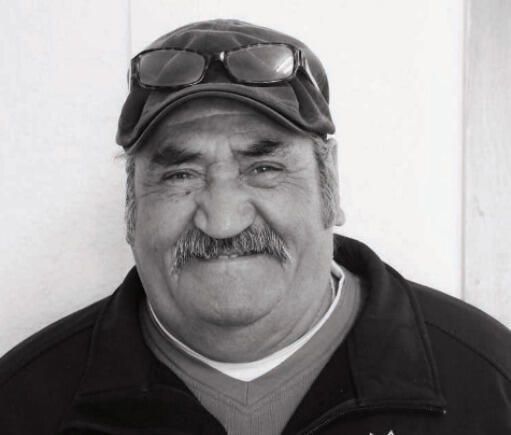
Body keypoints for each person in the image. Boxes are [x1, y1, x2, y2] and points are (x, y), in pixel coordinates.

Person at [0, 18, 510, 435]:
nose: (223, 220)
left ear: (330, 183)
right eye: (180, 174)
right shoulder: (22, 405)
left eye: (263, 168)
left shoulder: (491, 384)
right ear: (131, 204)